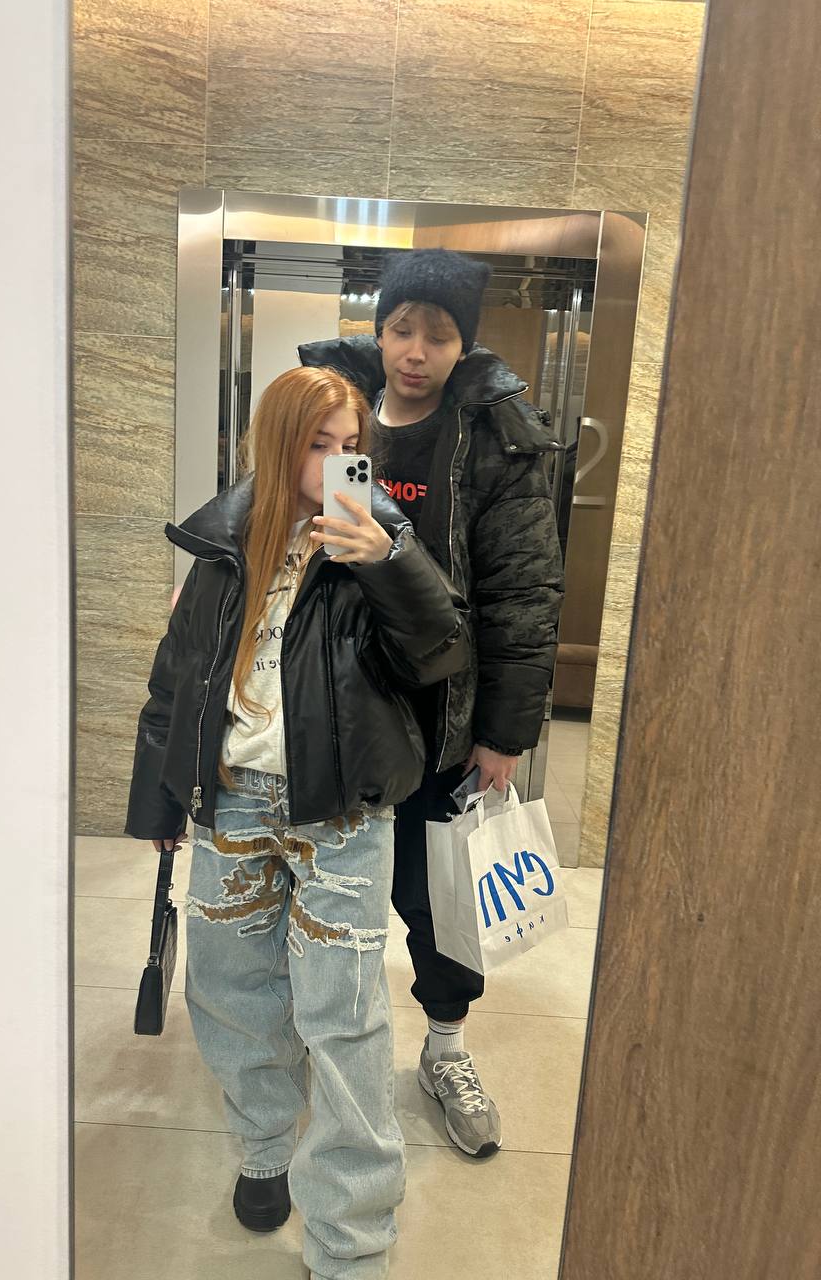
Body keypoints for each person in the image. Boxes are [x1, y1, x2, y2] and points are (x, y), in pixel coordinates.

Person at [125, 365, 471, 1280]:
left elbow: (442, 653)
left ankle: (351, 1241)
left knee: (343, 1019)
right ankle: (265, 1146)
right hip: (233, 796)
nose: (338, 462)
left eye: (352, 446)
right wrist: (158, 797)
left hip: (343, 810)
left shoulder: (380, 536)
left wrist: (386, 564)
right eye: (318, 444)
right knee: (231, 992)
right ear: (275, 445)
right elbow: (176, 678)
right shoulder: (222, 543)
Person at [299, 248, 565, 1160]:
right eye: (402, 329)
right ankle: (324, 1043)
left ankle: (445, 1049)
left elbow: (525, 593)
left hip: (444, 717)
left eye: (439, 336)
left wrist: (504, 733)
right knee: (328, 895)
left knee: (439, 900)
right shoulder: (336, 415)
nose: (416, 351)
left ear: (464, 345)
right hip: (339, 710)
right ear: (379, 330)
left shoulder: (494, 437)